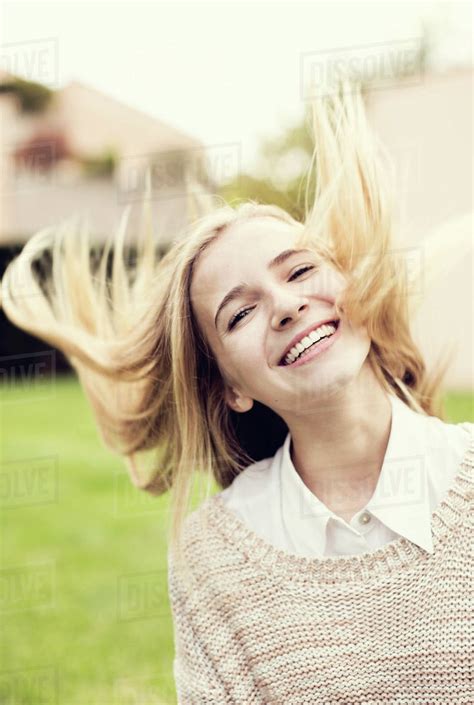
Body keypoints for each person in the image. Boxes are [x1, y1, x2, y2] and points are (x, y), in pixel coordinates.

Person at [1, 80, 472, 703]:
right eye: (238, 314)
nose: (285, 306)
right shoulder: (211, 556)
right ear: (231, 387)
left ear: (349, 286)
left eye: (300, 270)